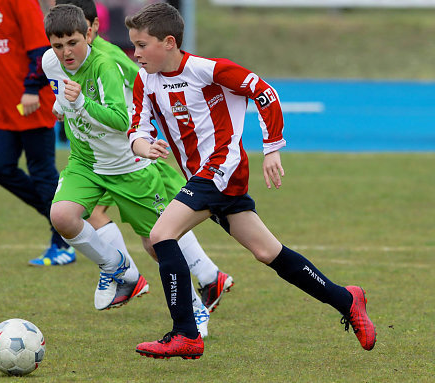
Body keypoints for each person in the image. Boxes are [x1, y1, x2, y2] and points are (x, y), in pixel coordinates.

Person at [125, 2, 377, 359]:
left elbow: (264, 91)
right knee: (267, 252)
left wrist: (272, 147)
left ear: (169, 42)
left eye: (141, 45)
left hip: (222, 167)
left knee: (161, 234)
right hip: (201, 176)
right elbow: (138, 124)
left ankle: (186, 334)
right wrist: (141, 144)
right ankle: (347, 299)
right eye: (133, 45)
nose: (135, 53)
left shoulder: (206, 70)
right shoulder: (145, 80)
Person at [42, 4, 226, 337]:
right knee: (62, 217)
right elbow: (63, 97)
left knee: (157, 244)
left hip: (129, 167)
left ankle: (196, 308)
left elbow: (121, 119)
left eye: (73, 42)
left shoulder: (105, 65)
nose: (66, 52)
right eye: (58, 45)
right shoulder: (49, 63)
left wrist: (81, 103)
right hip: (85, 162)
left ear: (89, 34)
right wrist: (62, 105)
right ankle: (117, 267)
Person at [0, 0, 75, 265]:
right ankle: (67, 221)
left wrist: (30, 88)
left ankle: (63, 243)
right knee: (0, 169)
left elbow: (41, 50)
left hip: (32, 102)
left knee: (41, 172)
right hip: (2, 105)